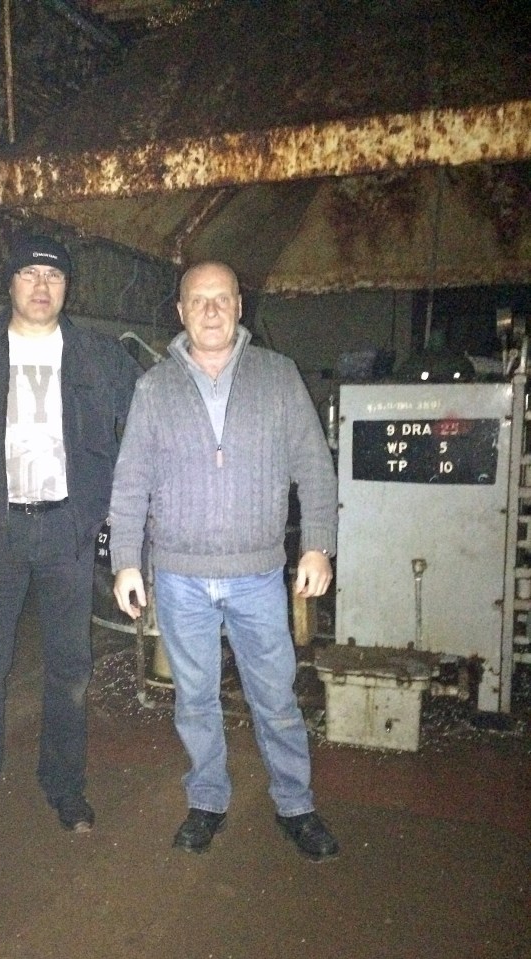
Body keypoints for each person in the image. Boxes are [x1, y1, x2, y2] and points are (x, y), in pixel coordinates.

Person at [0, 234, 141, 845]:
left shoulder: (97, 356)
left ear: (67, 288)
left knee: (70, 667)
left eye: (54, 276)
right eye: (30, 273)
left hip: (69, 532)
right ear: (10, 282)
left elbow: (148, 422)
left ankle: (64, 788)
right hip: (1, 533)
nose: (42, 286)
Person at [109, 261, 339, 862]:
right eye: (197, 300)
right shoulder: (154, 387)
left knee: (276, 696)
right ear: (180, 312)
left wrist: (317, 542)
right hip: (179, 576)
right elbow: (130, 481)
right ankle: (207, 799)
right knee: (194, 698)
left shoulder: (278, 375)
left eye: (221, 299)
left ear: (240, 307)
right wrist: (126, 561)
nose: (210, 310)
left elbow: (314, 466)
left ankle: (296, 804)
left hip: (258, 575)